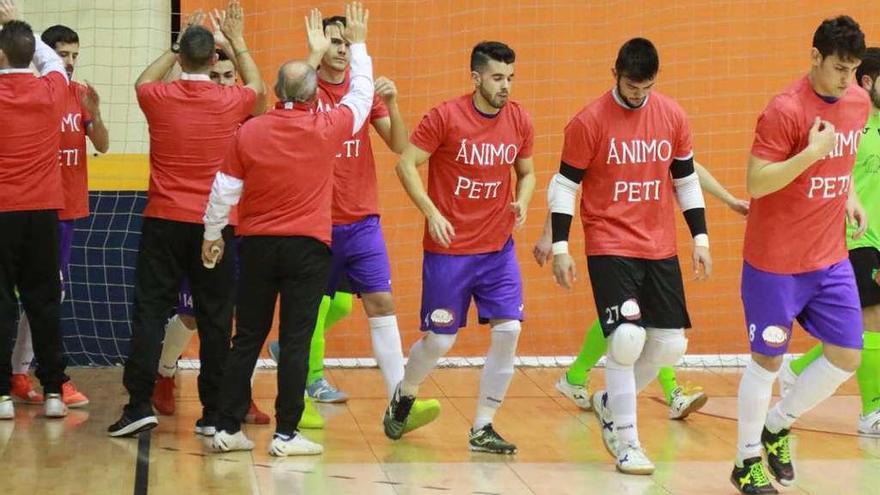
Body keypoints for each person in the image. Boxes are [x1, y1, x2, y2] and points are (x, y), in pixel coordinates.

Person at [205, 3, 373, 456]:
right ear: (317, 93)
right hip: (308, 250)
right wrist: (358, 45)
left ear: (276, 91)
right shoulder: (327, 126)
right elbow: (361, 94)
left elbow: (223, 190)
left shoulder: (251, 130)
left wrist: (212, 235)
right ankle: (286, 435)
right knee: (296, 341)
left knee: (247, 339)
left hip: (256, 247)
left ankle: (225, 428)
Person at [549, 38, 711, 474]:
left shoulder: (672, 116)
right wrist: (561, 246)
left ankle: (607, 400)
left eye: (646, 87)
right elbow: (565, 185)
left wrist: (701, 238)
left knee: (670, 343)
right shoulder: (588, 121)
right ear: (615, 72)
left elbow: (685, 179)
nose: (638, 94)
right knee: (625, 339)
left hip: (659, 244)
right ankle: (627, 440)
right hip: (608, 242)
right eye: (631, 85)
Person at [107, 0, 265, 438]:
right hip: (215, 225)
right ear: (214, 61)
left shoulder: (156, 96)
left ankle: (139, 403)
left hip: (163, 221)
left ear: (181, 57)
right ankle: (213, 412)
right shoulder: (232, 100)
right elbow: (261, 89)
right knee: (216, 318)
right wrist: (237, 41)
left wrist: (176, 48)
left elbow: (144, 79)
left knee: (149, 314)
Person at [730, 16, 869, 494]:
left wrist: (848, 194)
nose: (846, 78)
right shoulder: (784, 110)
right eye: (838, 67)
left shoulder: (858, 101)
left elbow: (843, 159)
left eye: (853, 69)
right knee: (766, 362)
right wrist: (810, 155)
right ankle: (745, 460)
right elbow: (756, 183)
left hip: (829, 258)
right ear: (814, 58)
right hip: (776, 263)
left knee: (847, 355)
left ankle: (776, 425)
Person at [383, 40, 535, 455]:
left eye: (510, 78)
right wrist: (431, 211)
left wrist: (523, 198)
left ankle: (483, 426)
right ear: (476, 78)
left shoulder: (519, 119)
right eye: (497, 77)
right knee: (439, 341)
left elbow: (528, 172)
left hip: (497, 249)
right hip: (449, 251)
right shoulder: (445, 117)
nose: (505, 86)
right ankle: (405, 392)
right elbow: (404, 164)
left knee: (509, 331)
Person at [537, 163, 747, 419]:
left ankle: (576, 376)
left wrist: (727, 199)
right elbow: (566, 181)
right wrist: (552, 236)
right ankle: (670, 393)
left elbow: (688, 169)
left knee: (644, 322)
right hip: (612, 242)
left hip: (652, 242)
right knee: (633, 323)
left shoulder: (661, 130)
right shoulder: (600, 130)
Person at [776, 46, 880, 439]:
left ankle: (797, 370)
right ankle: (872, 412)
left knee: (857, 333)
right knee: (873, 321)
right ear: (867, 82)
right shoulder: (851, 123)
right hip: (854, 238)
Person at [8, 23, 108, 409]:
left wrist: (95, 116)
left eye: (75, 56)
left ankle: (23, 371)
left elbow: (102, 145)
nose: (69, 63)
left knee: (51, 293)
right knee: (36, 294)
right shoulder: (36, 94)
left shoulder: (78, 93)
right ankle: (35, 374)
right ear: (44, 55)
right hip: (30, 208)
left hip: (64, 209)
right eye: (63, 55)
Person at [0, 0, 71, 420]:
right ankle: (55, 395)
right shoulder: (52, 90)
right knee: (44, 302)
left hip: (3, 212)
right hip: (43, 210)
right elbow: (51, 61)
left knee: (0, 303)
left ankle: (2, 397)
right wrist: (15, 23)